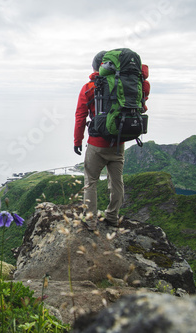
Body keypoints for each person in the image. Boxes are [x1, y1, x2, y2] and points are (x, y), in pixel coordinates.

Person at [73, 50, 130, 230]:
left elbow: (80, 117)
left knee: (90, 181)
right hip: (118, 144)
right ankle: (112, 217)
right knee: (116, 181)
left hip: (96, 144)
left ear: (96, 66)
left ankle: (90, 221)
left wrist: (77, 141)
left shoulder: (89, 87)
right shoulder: (125, 86)